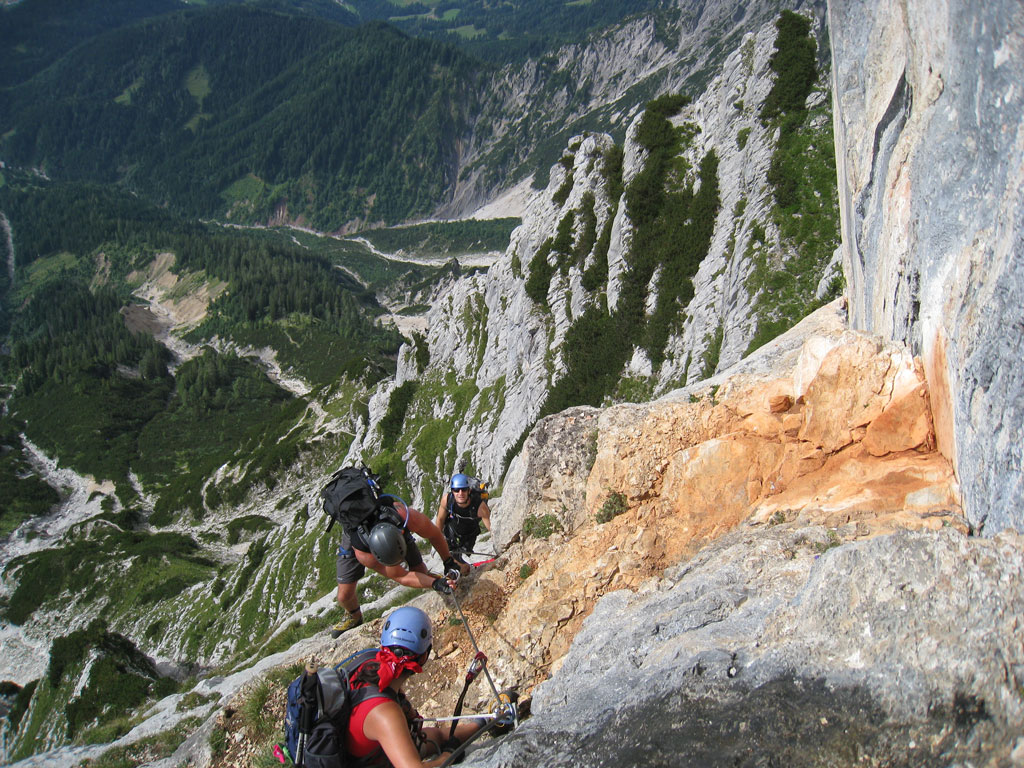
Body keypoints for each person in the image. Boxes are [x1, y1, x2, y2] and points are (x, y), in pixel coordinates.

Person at [346, 605, 485, 767]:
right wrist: (448, 756)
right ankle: (483, 723)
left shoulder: (368, 664)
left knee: (435, 736)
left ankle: (482, 723)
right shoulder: (386, 713)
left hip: (362, 752)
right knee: (434, 739)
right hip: (370, 761)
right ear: (424, 656)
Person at [332, 491, 460, 638]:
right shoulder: (363, 554)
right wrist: (435, 583)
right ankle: (354, 616)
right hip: (356, 533)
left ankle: (432, 578)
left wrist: (448, 561)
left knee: (421, 572)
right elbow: (401, 576)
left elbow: (434, 534)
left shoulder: (404, 515)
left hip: (391, 525)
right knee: (344, 596)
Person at [435, 473, 492, 574]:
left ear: (469, 490)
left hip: (469, 536)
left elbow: (491, 529)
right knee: (449, 559)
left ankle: (463, 570)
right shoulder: (447, 500)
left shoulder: (479, 506)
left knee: (462, 566)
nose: (460, 493)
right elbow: (440, 519)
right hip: (451, 532)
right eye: (457, 490)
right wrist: (435, 537)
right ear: (452, 491)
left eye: (464, 490)